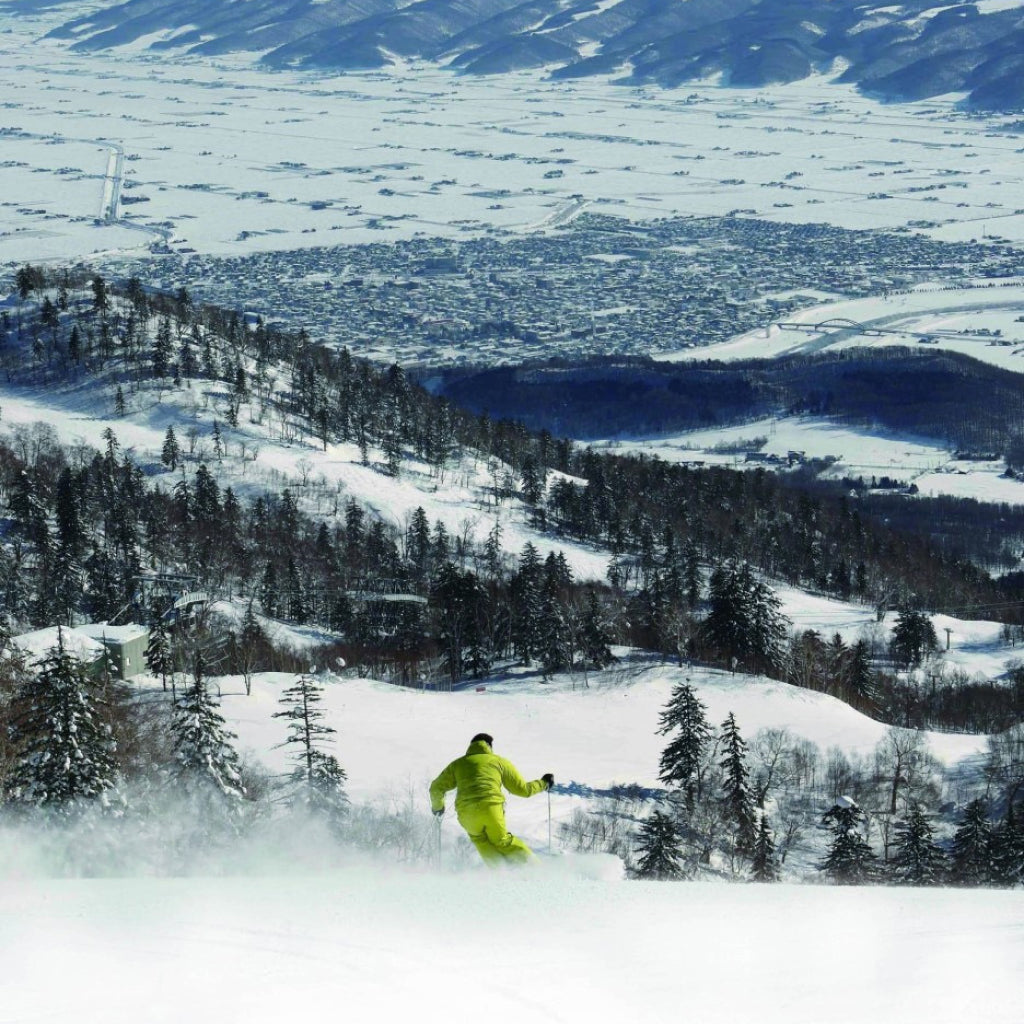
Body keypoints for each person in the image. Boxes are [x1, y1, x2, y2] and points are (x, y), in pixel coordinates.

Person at [429, 733, 553, 866]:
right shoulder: (499, 762)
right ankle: (535, 867)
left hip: (467, 815)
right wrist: (544, 783)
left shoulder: (457, 764)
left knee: (479, 840)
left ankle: (499, 872)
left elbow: (435, 788)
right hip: (490, 809)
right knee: (502, 841)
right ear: (489, 746)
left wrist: (438, 808)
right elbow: (523, 790)